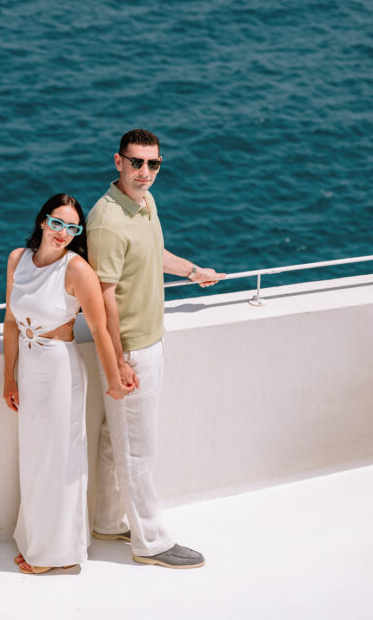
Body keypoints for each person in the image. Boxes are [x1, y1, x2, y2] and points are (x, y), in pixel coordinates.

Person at [87, 128, 225, 570]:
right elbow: (103, 297)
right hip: (131, 350)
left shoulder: (145, 203)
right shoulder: (107, 220)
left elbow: (153, 252)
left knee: (116, 443)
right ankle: (150, 542)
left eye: (153, 163)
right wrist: (118, 362)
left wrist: (193, 271)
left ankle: (108, 521)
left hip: (150, 339)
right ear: (118, 162)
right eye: (136, 162)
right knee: (138, 451)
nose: (145, 171)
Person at [3, 193, 131, 575]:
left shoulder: (76, 270)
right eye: (57, 223)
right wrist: (8, 377)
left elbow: (100, 330)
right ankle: (36, 541)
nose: (62, 233)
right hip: (29, 370)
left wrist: (115, 379)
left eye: (72, 228)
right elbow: (10, 321)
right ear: (43, 221)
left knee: (59, 461)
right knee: (34, 459)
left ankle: (55, 553)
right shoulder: (17, 259)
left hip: (60, 373)